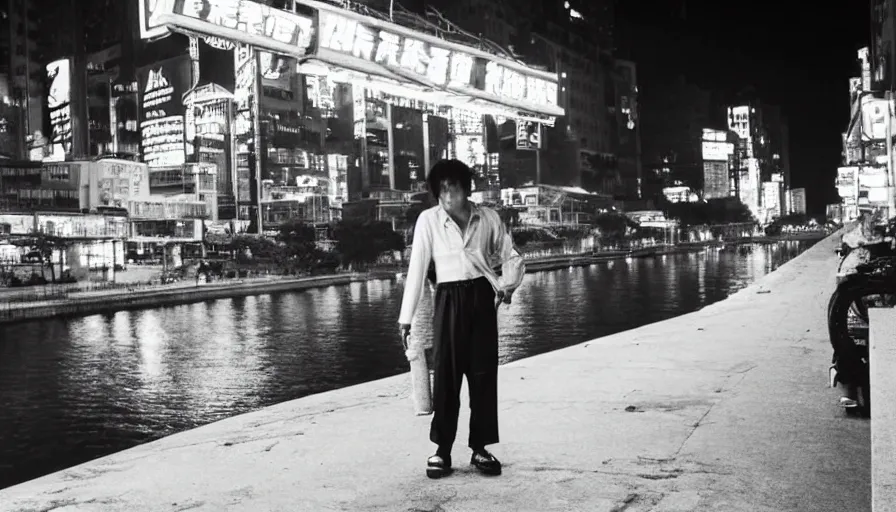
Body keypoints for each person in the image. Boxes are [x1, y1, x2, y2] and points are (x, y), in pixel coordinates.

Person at [398, 159, 525, 479]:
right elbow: (416, 268)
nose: (446, 194)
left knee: (483, 375)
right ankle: (441, 450)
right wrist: (406, 318)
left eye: (452, 187)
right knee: (446, 376)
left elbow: (511, 256)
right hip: (448, 299)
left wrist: (507, 286)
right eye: (440, 189)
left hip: (482, 298)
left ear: (466, 188)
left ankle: (480, 448)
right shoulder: (428, 221)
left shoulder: (489, 218)